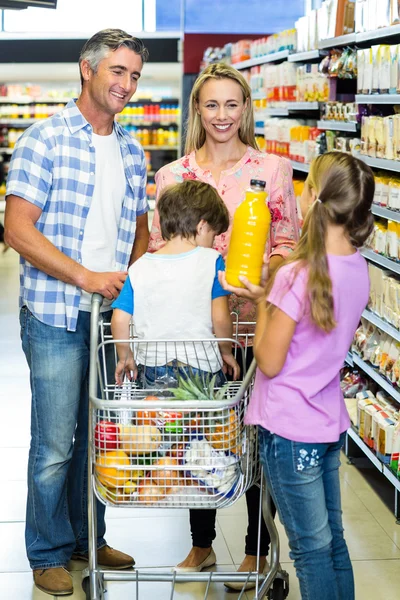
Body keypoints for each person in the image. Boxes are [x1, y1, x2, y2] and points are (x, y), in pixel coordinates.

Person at [4, 29, 150, 597]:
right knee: (53, 444)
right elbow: (18, 229)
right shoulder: (44, 139)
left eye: (135, 75)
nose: (127, 84)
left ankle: (87, 537)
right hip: (55, 310)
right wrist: (86, 276)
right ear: (86, 69)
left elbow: (138, 226)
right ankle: (45, 550)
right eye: (118, 71)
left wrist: (129, 289)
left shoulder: (134, 150)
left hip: (108, 317)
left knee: (98, 435)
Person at [148, 62, 300, 585]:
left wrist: (259, 276)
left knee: (257, 437)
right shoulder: (173, 176)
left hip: (256, 324)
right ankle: (202, 545)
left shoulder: (273, 170)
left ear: (246, 108)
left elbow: (288, 247)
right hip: (192, 332)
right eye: (210, 104)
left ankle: (258, 547)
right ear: (197, 109)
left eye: (231, 104)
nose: (221, 115)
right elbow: (157, 248)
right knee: (201, 433)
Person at [220, 152, 375, 600]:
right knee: (332, 542)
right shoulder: (359, 268)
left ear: (313, 200)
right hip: (326, 423)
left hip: (289, 430)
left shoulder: (297, 276)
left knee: (308, 549)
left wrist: (266, 297)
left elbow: (268, 362)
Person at [111, 179, 239, 388]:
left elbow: (119, 320)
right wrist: (226, 350)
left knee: (156, 420)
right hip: (201, 364)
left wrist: (125, 357)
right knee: (201, 421)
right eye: (213, 235)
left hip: (152, 365)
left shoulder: (139, 266)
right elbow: (220, 317)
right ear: (202, 226)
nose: (214, 243)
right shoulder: (211, 261)